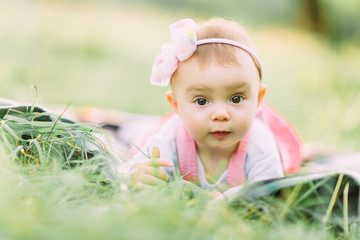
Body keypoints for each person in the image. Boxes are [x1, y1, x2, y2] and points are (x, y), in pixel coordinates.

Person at [128, 18, 301, 192]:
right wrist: (138, 174)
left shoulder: (260, 146)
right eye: (202, 101)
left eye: (236, 99)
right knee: (138, 131)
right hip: (153, 129)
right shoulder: (171, 137)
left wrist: (226, 203)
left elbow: (268, 195)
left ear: (258, 99)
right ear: (176, 105)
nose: (220, 114)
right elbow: (132, 168)